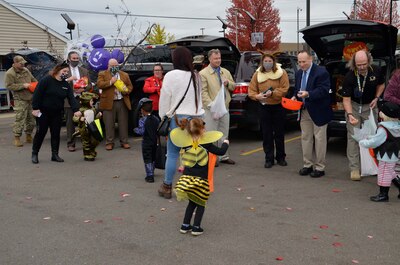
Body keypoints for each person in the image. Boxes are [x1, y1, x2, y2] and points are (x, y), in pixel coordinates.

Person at [158, 46, 204, 199]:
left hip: (178, 120)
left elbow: (165, 99)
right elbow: (199, 100)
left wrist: (163, 116)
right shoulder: (196, 75)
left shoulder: (171, 75)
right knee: (194, 153)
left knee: (172, 154)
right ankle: (192, 186)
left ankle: (167, 186)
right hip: (197, 118)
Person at [171, 118, 229, 236]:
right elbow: (221, 152)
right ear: (202, 130)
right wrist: (225, 143)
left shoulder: (186, 144)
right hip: (201, 179)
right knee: (201, 202)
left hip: (187, 178)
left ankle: (185, 225)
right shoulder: (206, 143)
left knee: (192, 202)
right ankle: (196, 227)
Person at [342, 50, 385, 181]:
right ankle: (354, 168)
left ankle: (372, 166)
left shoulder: (376, 70)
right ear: (354, 63)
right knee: (353, 137)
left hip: (369, 106)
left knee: (372, 136)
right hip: (354, 107)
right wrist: (349, 114)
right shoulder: (349, 76)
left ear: (369, 61)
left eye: (364, 64)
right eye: (358, 65)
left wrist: (376, 98)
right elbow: (346, 99)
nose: (361, 67)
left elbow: (381, 84)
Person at [292, 50, 333, 178]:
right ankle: (307, 165)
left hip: (319, 110)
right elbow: (297, 88)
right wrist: (294, 96)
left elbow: (324, 90)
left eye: (303, 61)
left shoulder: (321, 72)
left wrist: (308, 94)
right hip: (304, 110)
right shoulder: (299, 73)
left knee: (320, 139)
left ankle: (320, 168)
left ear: (311, 59)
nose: (301, 64)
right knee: (305, 138)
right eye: (299, 62)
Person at [31, 61, 81, 164]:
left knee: (55, 134)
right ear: (58, 71)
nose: (66, 73)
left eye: (67, 72)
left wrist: (76, 110)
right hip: (43, 112)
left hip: (57, 113)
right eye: (64, 71)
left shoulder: (65, 85)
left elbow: (71, 98)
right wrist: (35, 108)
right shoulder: (46, 80)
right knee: (41, 133)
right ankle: (35, 153)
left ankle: (55, 154)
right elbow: (37, 94)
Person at [248, 52, 290, 168]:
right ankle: (269, 158)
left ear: (274, 62)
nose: (267, 63)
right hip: (264, 107)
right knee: (266, 134)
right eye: (265, 61)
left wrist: (273, 93)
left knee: (279, 133)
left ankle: (281, 157)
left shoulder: (282, 73)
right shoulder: (257, 74)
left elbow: (285, 88)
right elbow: (251, 90)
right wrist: (257, 96)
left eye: (270, 61)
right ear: (262, 62)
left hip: (278, 106)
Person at [200, 48, 235, 165]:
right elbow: (203, 92)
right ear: (210, 59)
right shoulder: (203, 73)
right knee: (211, 134)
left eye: (219, 58)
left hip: (224, 108)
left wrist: (228, 83)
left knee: (224, 132)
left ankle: (224, 156)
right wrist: (211, 106)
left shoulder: (225, 72)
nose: (218, 60)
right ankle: (212, 158)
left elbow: (233, 86)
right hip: (211, 109)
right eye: (215, 58)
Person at [359, 101, 400, 202]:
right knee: (392, 173)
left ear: (383, 114)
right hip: (394, 154)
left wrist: (363, 142)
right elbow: (382, 138)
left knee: (383, 174)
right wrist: (372, 137)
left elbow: (376, 141)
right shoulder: (397, 127)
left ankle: (383, 195)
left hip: (385, 155)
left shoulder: (383, 128)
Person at [97, 58, 133, 151]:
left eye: (116, 65)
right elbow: (100, 85)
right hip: (108, 102)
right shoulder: (103, 74)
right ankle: (109, 142)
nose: (114, 67)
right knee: (109, 124)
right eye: (112, 66)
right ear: (108, 66)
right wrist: (110, 82)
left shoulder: (124, 75)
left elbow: (130, 86)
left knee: (123, 123)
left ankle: (124, 142)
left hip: (122, 101)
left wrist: (126, 90)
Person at [4, 55, 37, 147]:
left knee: (31, 119)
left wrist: (36, 85)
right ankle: (17, 138)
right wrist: (23, 85)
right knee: (20, 119)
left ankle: (29, 135)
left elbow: (34, 80)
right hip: (20, 99)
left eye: (24, 63)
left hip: (30, 98)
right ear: (15, 63)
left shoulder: (26, 70)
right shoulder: (10, 73)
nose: (23, 64)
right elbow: (9, 86)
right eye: (21, 63)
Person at [64, 51, 92, 152]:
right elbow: (59, 83)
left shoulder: (84, 71)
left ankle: (86, 142)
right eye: (73, 58)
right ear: (69, 59)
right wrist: (69, 81)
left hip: (82, 99)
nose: (75, 60)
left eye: (77, 58)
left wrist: (83, 89)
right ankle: (71, 144)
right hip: (69, 99)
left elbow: (90, 85)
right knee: (70, 123)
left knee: (85, 122)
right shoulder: (64, 70)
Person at [134, 98, 160, 183]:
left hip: (146, 142)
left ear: (142, 110)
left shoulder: (142, 120)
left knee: (147, 157)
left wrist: (135, 130)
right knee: (153, 156)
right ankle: (152, 170)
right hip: (154, 141)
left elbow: (141, 131)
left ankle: (149, 175)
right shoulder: (156, 118)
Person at [72, 92, 102, 161]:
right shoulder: (81, 110)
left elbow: (95, 118)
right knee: (86, 142)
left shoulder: (93, 109)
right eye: (91, 101)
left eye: (92, 101)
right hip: (84, 129)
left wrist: (98, 116)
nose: (92, 102)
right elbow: (74, 118)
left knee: (95, 140)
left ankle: (91, 151)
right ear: (86, 102)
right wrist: (80, 118)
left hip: (92, 128)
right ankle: (87, 154)